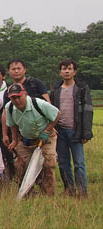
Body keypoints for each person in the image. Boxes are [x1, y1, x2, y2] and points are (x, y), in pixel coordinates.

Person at [5, 83, 60, 195]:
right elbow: (12, 125)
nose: (16, 100)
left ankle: (49, 195)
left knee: (48, 165)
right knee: (22, 166)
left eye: (19, 97)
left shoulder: (38, 104)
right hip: (26, 139)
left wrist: (47, 131)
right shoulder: (9, 107)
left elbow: (57, 115)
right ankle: (28, 194)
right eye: (13, 98)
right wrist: (15, 140)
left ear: (25, 94)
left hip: (46, 138)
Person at [50, 59, 93, 197]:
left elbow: (87, 110)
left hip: (76, 131)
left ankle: (82, 191)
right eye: (64, 68)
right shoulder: (56, 89)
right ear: (60, 72)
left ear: (75, 71)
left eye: (69, 69)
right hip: (60, 131)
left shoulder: (81, 88)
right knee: (63, 162)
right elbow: (51, 110)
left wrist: (86, 132)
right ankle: (69, 189)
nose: (66, 71)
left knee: (79, 163)